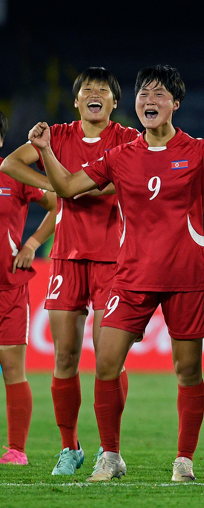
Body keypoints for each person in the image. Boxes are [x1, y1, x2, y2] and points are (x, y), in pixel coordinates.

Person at [29, 65, 204, 482]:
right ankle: (110, 456)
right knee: (106, 365)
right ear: (134, 103)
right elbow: (67, 187)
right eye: (144, 94)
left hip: (184, 278)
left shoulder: (199, 149)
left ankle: (184, 460)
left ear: (176, 104)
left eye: (160, 95)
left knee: (188, 371)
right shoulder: (121, 155)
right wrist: (45, 149)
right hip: (131, 277)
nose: (150, 101)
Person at [0, 67, 138, 475]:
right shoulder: (57, 136)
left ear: (114, 103)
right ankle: (69, 448)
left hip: (114, 259)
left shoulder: (127, 140)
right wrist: (56, 181)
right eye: (87, 90)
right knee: (65, 357)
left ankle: (108, 449)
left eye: (103, 90)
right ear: (77, 101)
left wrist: (72, 185)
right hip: (66, 258)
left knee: (109, 360)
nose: (95, 94)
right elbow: (10, 163)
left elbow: (126, 181)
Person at [0, 110, 58, 465]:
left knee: (11, 366)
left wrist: (32, 243)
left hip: (8, 286)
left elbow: (57, 202)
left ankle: (16, 450)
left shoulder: (14, 177)